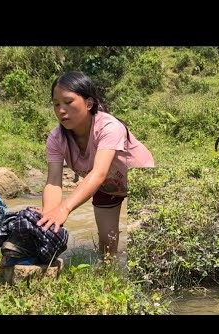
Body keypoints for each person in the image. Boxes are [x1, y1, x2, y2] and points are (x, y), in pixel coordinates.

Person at [35, 71, 154, 257]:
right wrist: (49, 215)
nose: (61, 110)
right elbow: (53, 182)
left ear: (88, 103)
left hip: (142, 182)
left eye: (68, 102)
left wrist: (64, 208)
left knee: (147, 247)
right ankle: (108, 279)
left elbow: (98, 172)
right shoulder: (56, 138)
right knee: (107, 246)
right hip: (106, 187)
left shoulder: (109, 127)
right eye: (56, 104)